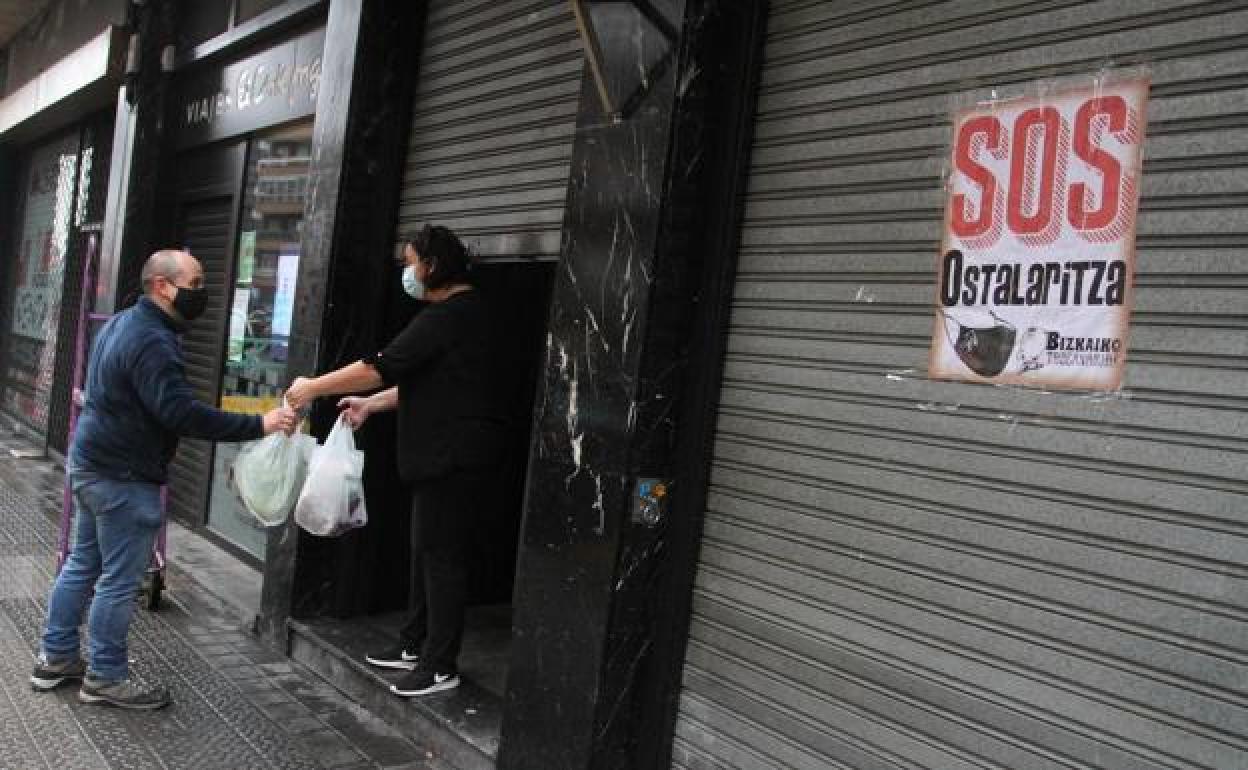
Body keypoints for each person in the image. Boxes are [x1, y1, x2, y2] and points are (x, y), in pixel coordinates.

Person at [30, 249, 298, 709]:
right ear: (162, 285)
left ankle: (54, 659)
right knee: (116, 580)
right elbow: (178, 412)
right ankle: (106, 677)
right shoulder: (152, 339)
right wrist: (259, 424)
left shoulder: (120, 323)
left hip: (91, 462)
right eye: (194, 283)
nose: (202, 292)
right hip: (123, 476)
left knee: (82, 565)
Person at [285, 224, 503, 698]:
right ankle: (415, 643)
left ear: (433, 266)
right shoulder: (460, 316)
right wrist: (370, 406)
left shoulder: (449, 316)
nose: (407, 272)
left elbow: (376, 367)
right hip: (438, 459)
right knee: (425, 553)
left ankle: (439, 664)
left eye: (410, 263)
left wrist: (313, 387)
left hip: (452, 461)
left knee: (442, 560)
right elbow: (421, 381)